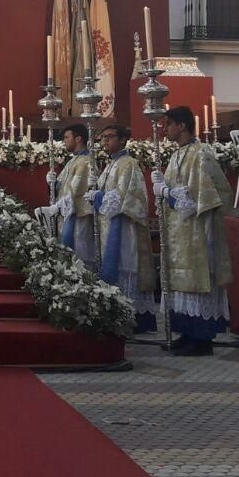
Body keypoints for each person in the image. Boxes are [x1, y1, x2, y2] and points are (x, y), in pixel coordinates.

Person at [150, 106, 233, 355]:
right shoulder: (177, 155)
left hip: (198, 231)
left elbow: (199, 198)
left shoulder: (201, 153)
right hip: (179, 231)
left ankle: (202, 338)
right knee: (179, 284)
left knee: (197, 282)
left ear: (182, 126)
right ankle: (186, 333)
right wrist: (163, 188)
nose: (165, 129)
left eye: (169, 124)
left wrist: (165, 192)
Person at [90, 124, 157, 333]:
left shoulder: (128, 165)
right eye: (103, 138)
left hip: (125, 228)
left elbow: (128, 198)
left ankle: (134, 317)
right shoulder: (111, 165)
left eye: (110, 137)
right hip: (109, 226)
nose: (105, 141)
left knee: (126, 268)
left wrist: (99, 197)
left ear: (122, 140)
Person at [52, 124, 99, 271]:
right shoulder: (73, 161)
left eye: (67, 137)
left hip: (79, 216)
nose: (64, 141)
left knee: (79, 254)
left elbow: (75, 190)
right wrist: (52, 184)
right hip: (66, 215)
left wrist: (59, 204)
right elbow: (62, 188)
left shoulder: (86, 162)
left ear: (78, 138)